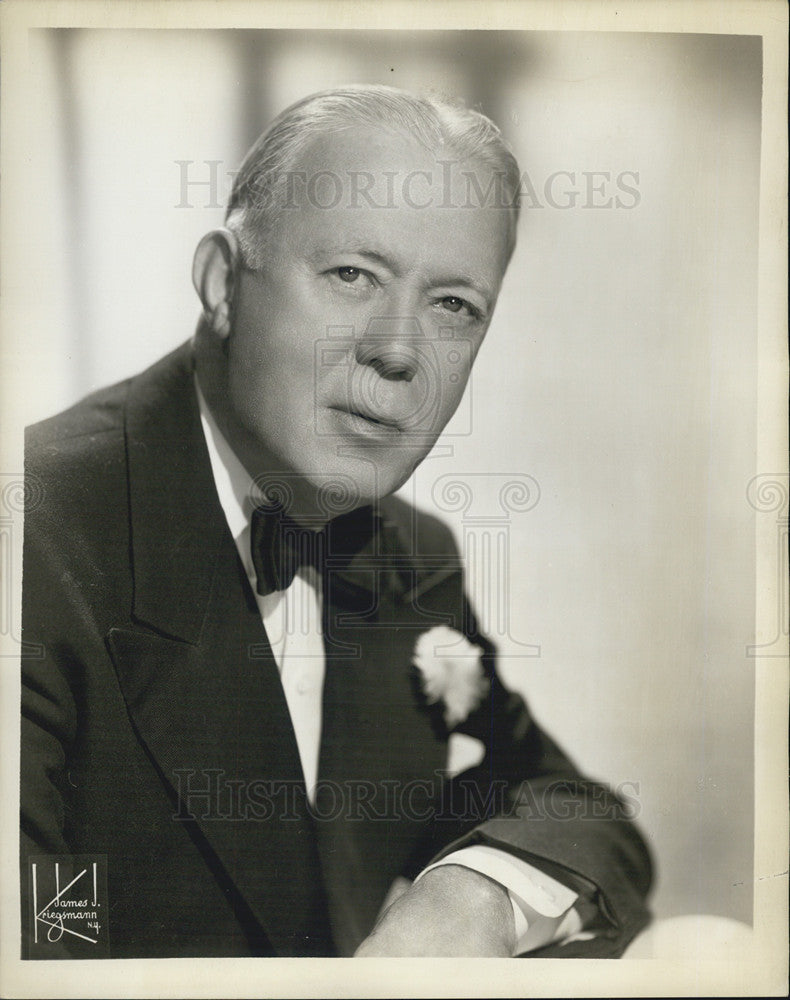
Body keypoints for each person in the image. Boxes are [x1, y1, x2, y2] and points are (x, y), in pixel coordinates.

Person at [20, 85, 652, 959]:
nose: (398, 349)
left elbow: (567, 804)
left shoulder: (409, 556)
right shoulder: (32, 535)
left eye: (454, 306)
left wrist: (481, 894)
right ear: (221, 283)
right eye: (353, 275)